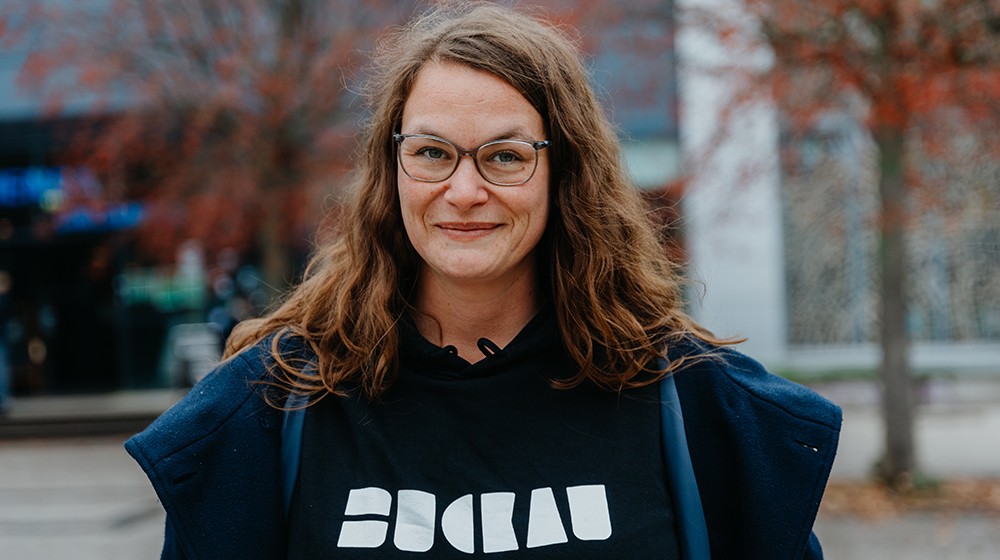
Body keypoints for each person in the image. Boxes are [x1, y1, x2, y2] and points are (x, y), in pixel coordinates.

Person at [126, 3, 841, 559]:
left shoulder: (699, 409)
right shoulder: (269, 412)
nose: (464, 190)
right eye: (433, 151)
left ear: (565, 173)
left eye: (504, 157)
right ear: (391, 169)